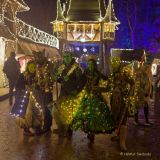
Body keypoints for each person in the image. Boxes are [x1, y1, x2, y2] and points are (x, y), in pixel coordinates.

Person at [72, 59, 115, 142]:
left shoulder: (97, 73)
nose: (90, 66)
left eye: (92, 64)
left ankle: (92, 132)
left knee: (95, 114)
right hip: (87, 96)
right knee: (86, 114)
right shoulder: (85, 72)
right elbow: (80, 81)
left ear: (94, 65)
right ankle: (89, 131)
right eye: (89, 64)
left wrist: (101, 88)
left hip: (96, 96)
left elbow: (107, 79)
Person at [53, 51, 86, 136]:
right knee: (60, 111)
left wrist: (76, 88)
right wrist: (57, 78)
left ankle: (69, 130)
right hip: (63, 92)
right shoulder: (62, 67)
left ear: (71, 57)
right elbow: (59, 78)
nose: (66, 58)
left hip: (72, 92)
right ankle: (62, 128)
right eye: (64, 56)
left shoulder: (77, 68)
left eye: (68, 56)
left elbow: (81, 81)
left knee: (70, 112)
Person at [109, 57, 134, 151]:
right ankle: (118, 136)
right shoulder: (113, 75)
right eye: (113, 64)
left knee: (123, 120)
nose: (114, 66)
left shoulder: (124, 74)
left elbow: (133, 83)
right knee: (116, 119)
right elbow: (109, 86)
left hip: (123, 101)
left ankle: (122, 142)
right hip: (114, 100)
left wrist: (129, 95)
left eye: (116, 64)